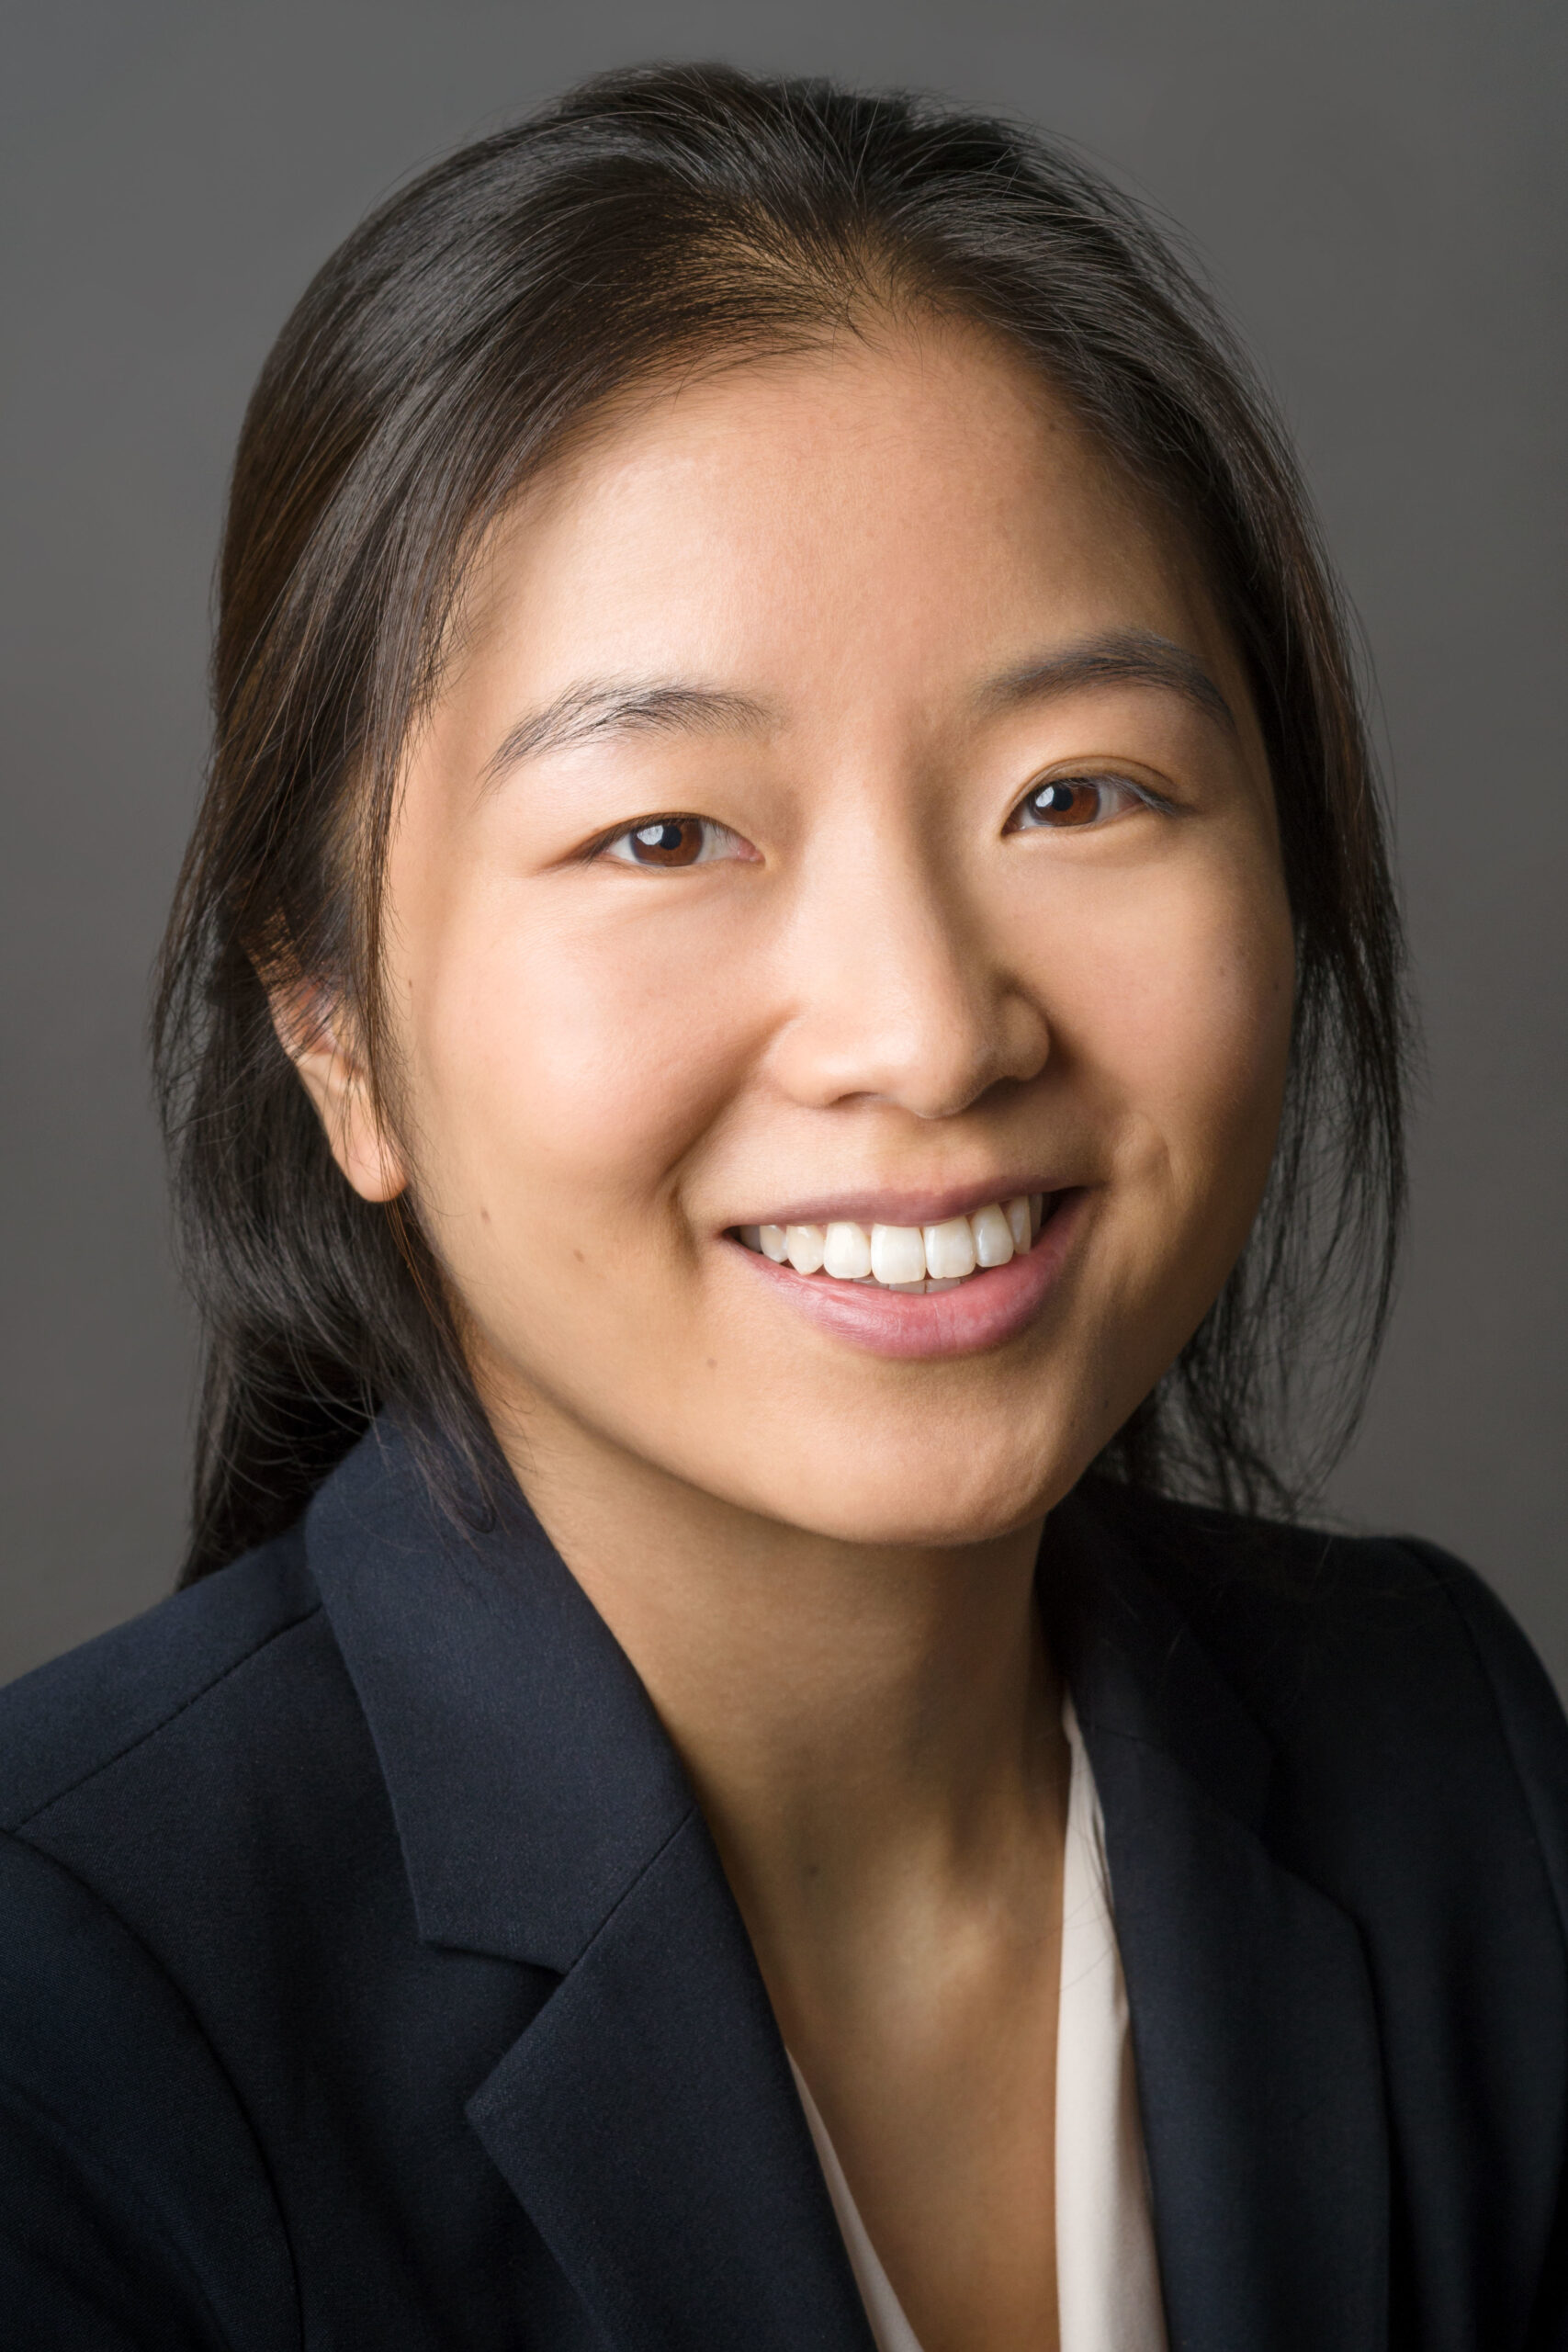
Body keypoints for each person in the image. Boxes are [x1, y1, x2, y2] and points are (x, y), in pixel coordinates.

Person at [1, 60, 1562, 2352]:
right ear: (330, 1026)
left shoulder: (1439, 1757)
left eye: (1076, 790)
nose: (927, 1032)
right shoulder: (68, 2024)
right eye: (664, 833)